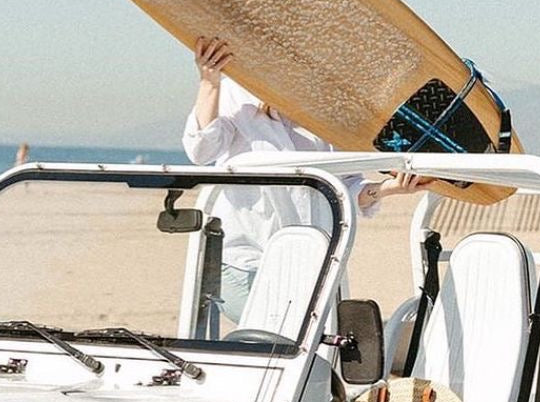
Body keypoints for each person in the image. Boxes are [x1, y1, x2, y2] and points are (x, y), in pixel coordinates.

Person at [183, 36, 429, 323]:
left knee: (304, 346)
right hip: (244, 259)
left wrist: (389, 188)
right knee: (277, 329)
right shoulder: (239, 93)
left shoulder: (329, 114)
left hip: (308, 261)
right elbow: (200, 150)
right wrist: (210, 83)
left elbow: (343, 188)